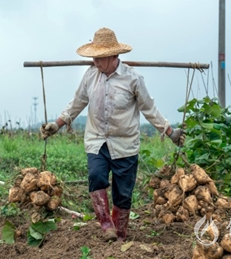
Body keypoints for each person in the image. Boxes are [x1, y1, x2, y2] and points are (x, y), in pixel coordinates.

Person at [40, 27, 185, 242]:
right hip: (97, 140)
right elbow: (77, 103)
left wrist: (171, 132)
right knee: (96, 176)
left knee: (123, 193)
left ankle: (120, 236)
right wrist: (58, 124)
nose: (96, 62)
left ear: (114, 56)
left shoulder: (133, 79)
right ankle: (106, 225)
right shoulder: (90, 76)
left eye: (100, 58)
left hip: (125, 144)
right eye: (94, 58)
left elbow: (149, 109)